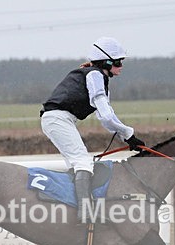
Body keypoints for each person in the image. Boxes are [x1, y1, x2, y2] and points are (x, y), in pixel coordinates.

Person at [40, 36, 145, 222]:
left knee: (78, 163)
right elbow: (106, 116)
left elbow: (105, 118)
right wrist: (128, 134)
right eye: (118, 62)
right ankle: (85, 213)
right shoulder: (95, 75)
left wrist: (126, 137)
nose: (121, 66)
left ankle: (70, 206)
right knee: (83, 163)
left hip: (59, 119)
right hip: (58, 118)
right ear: (106, 61)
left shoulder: (98, 77)